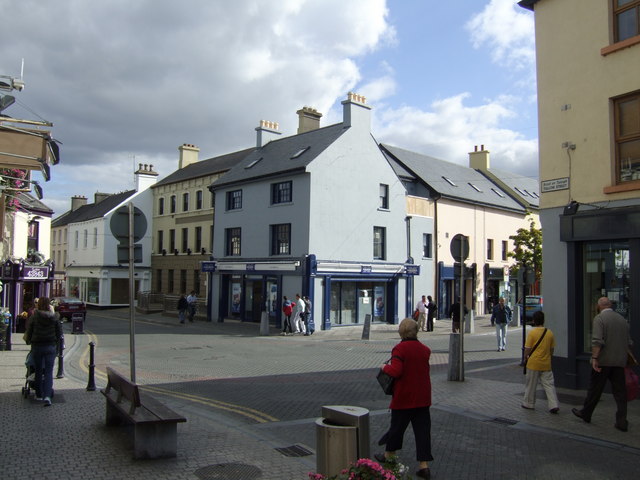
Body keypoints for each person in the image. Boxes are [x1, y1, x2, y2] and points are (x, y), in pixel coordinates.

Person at [375, 318, 433, 479]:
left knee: (396, 429)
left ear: (401, 331)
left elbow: (396, 371)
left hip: (405, 397)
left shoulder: (400, 349)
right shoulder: (424, 349)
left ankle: (389, 456)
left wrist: (384, 366)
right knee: (422, 433)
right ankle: (424, 466)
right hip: (423, 397)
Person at [572, 297, 633, 431]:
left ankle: (586, 413)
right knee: (620, 393)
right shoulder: (622, 320)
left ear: (599, 306)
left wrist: (594, 358)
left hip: (603, 361)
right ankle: (622, 421)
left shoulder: (599, 319)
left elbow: (597, 341)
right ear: (610, 305)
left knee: (595, 389)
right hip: (619, 361)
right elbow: (629, 342)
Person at [23, 297, 62, 407]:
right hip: (50, 347)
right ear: (49, 305)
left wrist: (28, 341)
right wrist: (57, 348)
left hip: (37, 347)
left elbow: (29, 332)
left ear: (38, 305)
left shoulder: (34, 317)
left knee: (39, 371)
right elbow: (59, 333)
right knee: (49, 372)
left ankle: (39, 394)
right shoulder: (54, 318)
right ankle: (47, 396)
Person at [521, 311, 559, 413]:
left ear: (534, 320)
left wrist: (525, 357)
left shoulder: (532, 333)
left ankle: (529, 403)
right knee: (549, 385)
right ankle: (553, 404)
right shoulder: (549, 332)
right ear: (543, 320)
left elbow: (527, 348)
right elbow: (552, 350)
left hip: (533, 363)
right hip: (546, 363)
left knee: (531, 384)